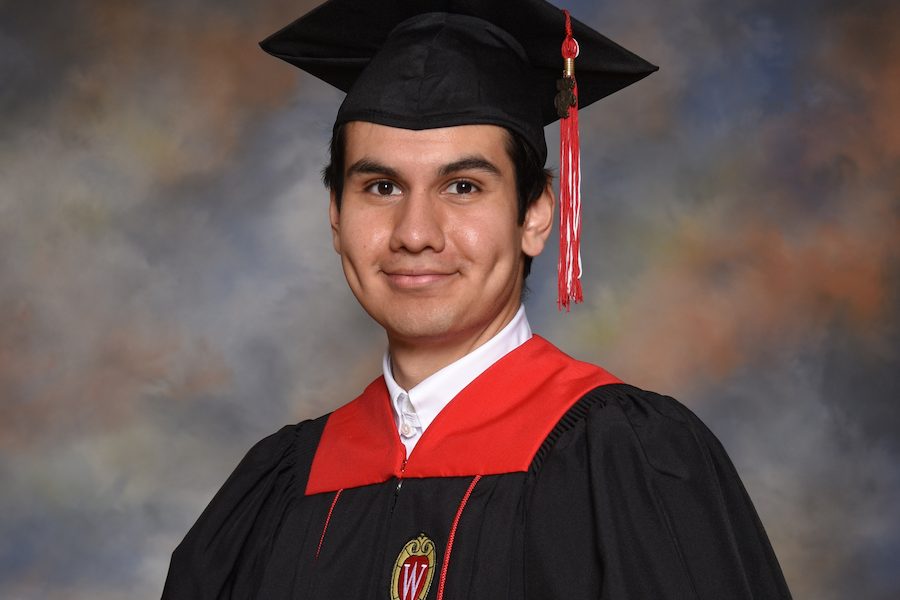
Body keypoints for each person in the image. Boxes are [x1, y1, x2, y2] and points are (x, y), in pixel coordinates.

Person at [162, 1, 792, 598]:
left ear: (537, 214)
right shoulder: (280, 486)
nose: (415, 233)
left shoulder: (627, 463)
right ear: (335, 215)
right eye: (381, 186)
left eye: (462, 186)